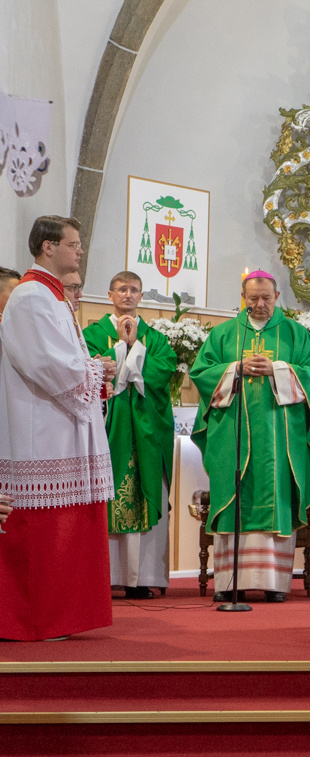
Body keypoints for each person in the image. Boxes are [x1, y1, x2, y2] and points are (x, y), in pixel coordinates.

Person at [0, 216, 118, 640]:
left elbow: (63, 361)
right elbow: (45, 364)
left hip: (59, 428)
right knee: (41, 535)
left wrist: (93, 368)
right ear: (48, 247)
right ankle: (37, 620)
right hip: (39, 433)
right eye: (73, 243)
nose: (80, 250)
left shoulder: (53, 296)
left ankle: (59, 616)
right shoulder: (30, 295)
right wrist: (94, 371)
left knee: (65, 531)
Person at [190, 271, 310, 603]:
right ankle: (227, 583)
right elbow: (201, 373)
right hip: (231, 436)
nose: (260, 304)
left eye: (266, 298)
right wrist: (236, 368)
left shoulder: (296, 334)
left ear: (277, 297)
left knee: (275, 493)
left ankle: (274, 583)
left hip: (280, 437)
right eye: (253, 299)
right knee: (232, 495)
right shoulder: (224, 334)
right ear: (244, 298)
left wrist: (278, 370)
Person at [82, 271, 177, 600]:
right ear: (110, 295)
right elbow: (88, 369)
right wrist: (125, 348)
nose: (128, 294)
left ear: (141, 296)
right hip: (108, 430)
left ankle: (142, 578)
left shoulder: (155, 338)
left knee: (145, 491)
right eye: (121, 289)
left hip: (146, 433)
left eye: (134, 290)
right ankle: (104, 577)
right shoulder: (93, 335)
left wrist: (134, 347)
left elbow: (163, 372)